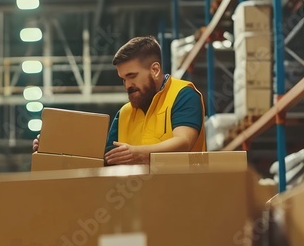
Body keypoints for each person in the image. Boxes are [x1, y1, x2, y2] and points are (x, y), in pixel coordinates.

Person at [32, 36, 206, 164]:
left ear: (155, 70)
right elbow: (103, 158)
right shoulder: (124, 114)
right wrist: (53, 147)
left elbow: (184, 142)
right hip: (139, 207)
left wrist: (137, 153)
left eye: (132, 76)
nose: (127, 85)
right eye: (123, 78)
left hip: (185, 202)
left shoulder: (182, 94)